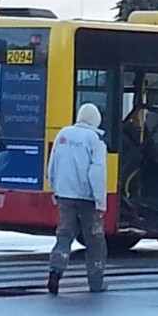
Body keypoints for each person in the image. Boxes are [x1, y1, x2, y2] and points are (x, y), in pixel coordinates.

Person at [47, 103, 108, 295]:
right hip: (86, 199)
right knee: (95, 242)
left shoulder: (63, 134)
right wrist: (100, 201)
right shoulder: (95, 140)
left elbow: (52, 165)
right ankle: (95, 283)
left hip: (65, 195)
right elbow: (96, 172)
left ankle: (55, 273)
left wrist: (55, 190)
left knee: (64, 236)